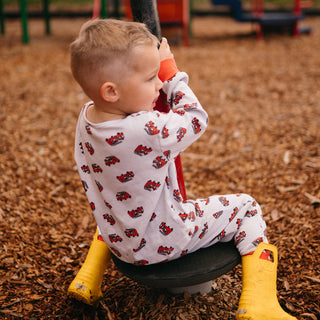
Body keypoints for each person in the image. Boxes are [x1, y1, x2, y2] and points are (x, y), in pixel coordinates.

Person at [68, 19, 297, 319]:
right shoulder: (148, 128)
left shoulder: (87, 118)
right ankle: (259, 303)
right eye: (151, 78)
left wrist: (148, 72)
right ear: (111, 91)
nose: (159, 84)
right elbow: (195, 117)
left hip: (119, 238)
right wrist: (172, 73)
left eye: (159, 76)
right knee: (246, 207)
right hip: (162, 240)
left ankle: (88, 277)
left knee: (116, 201)